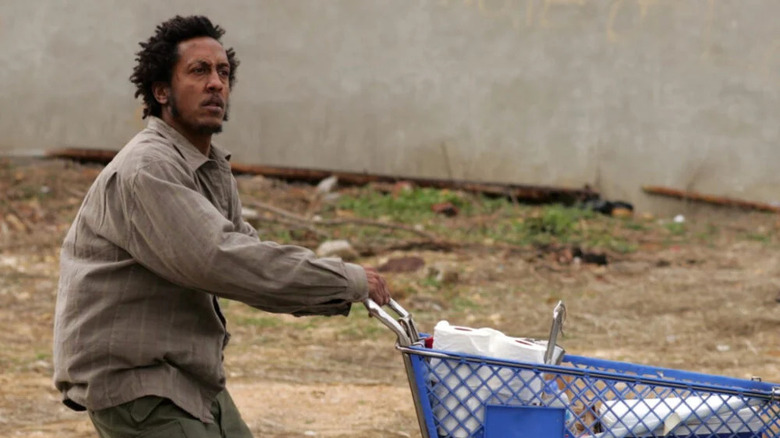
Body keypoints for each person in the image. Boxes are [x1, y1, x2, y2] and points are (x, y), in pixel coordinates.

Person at [53, 15, 391, 438]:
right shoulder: (148, 168)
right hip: (138, 383)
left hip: (189, 377)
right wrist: (345, 280)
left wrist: (334, 286)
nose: (216, 83)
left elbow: (247, 251)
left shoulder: (208, 166)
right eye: (198, 71)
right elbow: (221, 258)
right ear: (161, 91)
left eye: (223, 72)